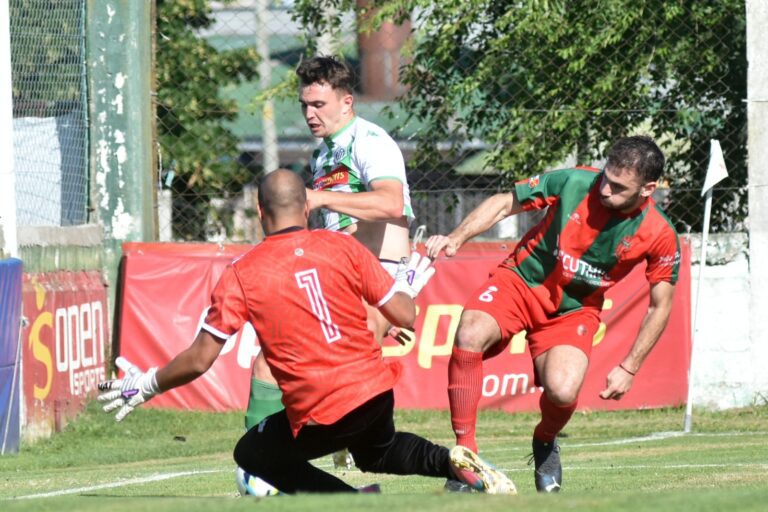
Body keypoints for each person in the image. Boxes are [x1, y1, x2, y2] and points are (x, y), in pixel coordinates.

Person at [97, 170, 516, 495]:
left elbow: (200, 358)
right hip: (374, 391)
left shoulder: (242, 273)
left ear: (260, 210)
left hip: (322, 409)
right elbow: (405, 316)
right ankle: (451, 462)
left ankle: (351, 502)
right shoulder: (344, 247)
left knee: (251, 454)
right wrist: (406, 283)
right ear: (307, 207)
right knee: (378, 452)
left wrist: (148, 384)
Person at [425, 136, 680, 493]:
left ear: (648, 189)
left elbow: (660, 305)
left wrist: (630, 367)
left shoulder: (660, 233)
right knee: (469, 332)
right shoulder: (575, 181)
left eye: (619, 187)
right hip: (520, 280)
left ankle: (545, 440)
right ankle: (466, 457)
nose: (605, 189)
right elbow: (505, 203)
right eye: (606, 177)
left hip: (574, 309)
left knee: (563, 391)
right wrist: (457, 237)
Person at [244, 55, 415, 470]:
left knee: (349, 365)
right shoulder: (323, 155)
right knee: (270, 359)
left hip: (376, 269)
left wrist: (320, 198)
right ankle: (260, 467)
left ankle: (352, 443)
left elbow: (392, 203)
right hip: (337, 276)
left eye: (319, 104)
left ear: (346, 102)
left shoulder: (370, 141)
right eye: (305, 105)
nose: (309, 114)